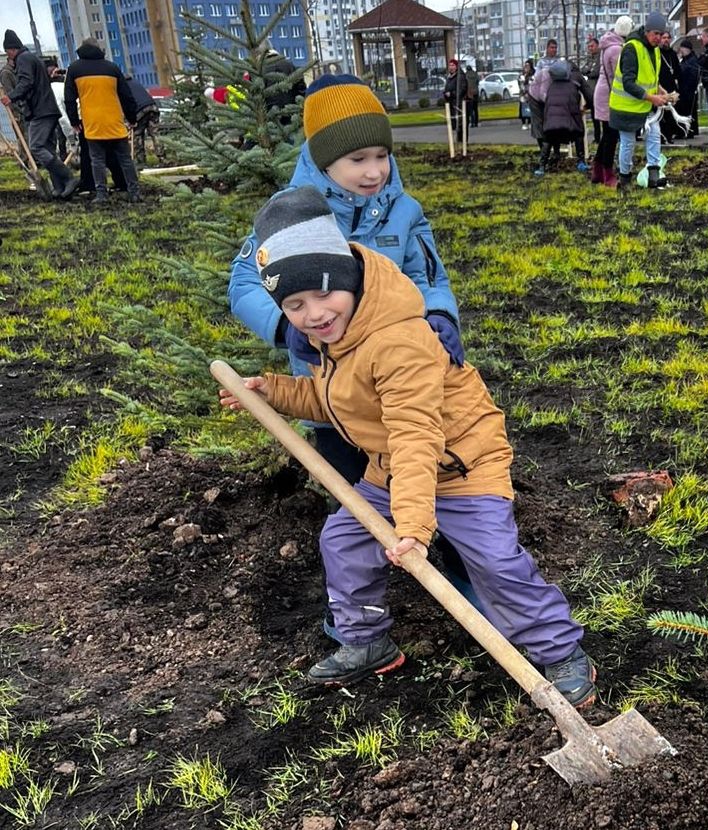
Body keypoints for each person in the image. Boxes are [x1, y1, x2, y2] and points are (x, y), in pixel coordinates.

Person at [220, 186, 597, 706]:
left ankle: (559, 651)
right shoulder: (339, 335)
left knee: (494, 560)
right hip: (393, 466)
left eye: (323, 293)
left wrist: (414, 529)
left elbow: (418, 434)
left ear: (349, 278)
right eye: (294, 304)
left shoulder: (398, 340)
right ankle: (366, 640)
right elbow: (338, 401)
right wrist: (273, 391)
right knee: (344, 541)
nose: (313, 314)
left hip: (462, 465)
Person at [228, 74, 476, 641]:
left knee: (433, 462)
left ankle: (462, 573)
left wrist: (439, 314)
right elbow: (244, 280)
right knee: (354, 490)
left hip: (402, 374)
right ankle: (360, 608)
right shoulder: (291, 216)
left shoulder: (403, 210)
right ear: (322, 161)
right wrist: (280, 328)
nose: (374, 172)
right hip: (334, 388)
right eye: (358, 159)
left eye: (382, 156)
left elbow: (426, 272)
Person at [1, 29, 78, 198]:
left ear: (12, 49)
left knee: (36, 146)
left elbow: (26, 82)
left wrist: (10, 97)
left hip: (39, 111)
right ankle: (59, 188)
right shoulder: (33, 59)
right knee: (48, 149)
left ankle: (68, 177)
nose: (9, 56)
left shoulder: (23, 59)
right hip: (48, 109)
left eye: (7, 52)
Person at [64, 37, 139, 203]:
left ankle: (101, 194)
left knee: (97, 160)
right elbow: (126, 95)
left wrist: (74, 121)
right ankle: (134, 192)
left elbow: (69, 98)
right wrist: (132, 118)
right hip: (115, 122)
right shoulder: (111, 68)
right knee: (125, 159)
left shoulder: (74, 69)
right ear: (99, 50)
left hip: (92, 123)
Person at [610, 12, 670, 189]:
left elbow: (650, 75)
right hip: (626, 106)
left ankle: (654, 175)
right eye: (656, 34)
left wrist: (659, 89)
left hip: (645, 105)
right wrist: (653, 98)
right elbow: (628, 83)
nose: (658, 39)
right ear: (647, 31)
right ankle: (625, 179)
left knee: (654, 136)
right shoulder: (631, 48)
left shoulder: (655, 50)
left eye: (661, 34)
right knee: (628, 142)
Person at [590, 16, 632, 187]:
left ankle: (597, 171)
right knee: (611, 135)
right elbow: (618, 76)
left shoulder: (608, 44)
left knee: (607, 135)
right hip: (609, 95)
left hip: (603, 93)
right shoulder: (616, 49)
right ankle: (608, 173)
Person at [535, 61, 592, 176]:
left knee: (548, 139)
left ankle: (542, 166)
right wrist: (587, 107)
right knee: (579, 132)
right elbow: (587, 99)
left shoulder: (551, 87)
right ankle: (581, 161)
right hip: (569, 125)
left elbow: (547, 108)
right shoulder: (573, 85)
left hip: (551, 125)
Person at [125, 74, 162, 165]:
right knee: (155, 133)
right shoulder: (135, 82)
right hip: (152, 107)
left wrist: (130, 120)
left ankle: (140, 161)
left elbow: (126, 104)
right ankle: (162, 158)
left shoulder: (122, 87)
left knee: (137, 135)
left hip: (140, 110)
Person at [657, 30, 683, 144]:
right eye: (664, 38)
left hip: (671, 87)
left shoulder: (672, 54)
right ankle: (661, 136)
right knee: (660, 113)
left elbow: (677, 71)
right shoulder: (657, 53)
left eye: (668, 38)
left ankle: (669, 135)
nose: (666, 40)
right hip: (660, 87)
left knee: (671, 113)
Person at [676, 39, 701, 139]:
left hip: (688, 90)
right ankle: (688, 130)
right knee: (687, 111)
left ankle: (688, 131)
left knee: (687, 111)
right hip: (685, 89)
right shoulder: (688, 59)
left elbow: (689, 74)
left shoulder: (692, 61)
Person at [581, 35, 602, 145]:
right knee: (595, 117)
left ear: (597, 46)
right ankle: (597, 137)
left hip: (599, 89)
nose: (590, 48)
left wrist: (589, 71)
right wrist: (589, 70)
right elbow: (583, 69)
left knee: (602, 116)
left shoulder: (600, 57)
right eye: (589, 47)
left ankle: (603, 137)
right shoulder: (590, 58)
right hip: (590, 91)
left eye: (592, 46)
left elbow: (595, 72)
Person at [443, 58, 468, 143]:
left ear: (456, 66)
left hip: (459, 103)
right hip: (451, 103)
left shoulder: (460, 77)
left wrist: (452, 94)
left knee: (460, 123)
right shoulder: (449, 77)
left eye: (453, 65)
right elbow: (446, 88)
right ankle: (457, 141)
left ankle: (462, 141)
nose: (451, 67)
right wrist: (446, 94)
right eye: (450, 65)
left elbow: (462, 89)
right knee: (454, 124)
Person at [464, 63, 480, 128]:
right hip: (476, 92)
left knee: (470, 109)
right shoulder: (475, 74)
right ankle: (476, 122)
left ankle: (472, 122)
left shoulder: (466, 75)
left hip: (469, 93)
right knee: (475, 109)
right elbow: (477, 82)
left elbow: (465, 84)